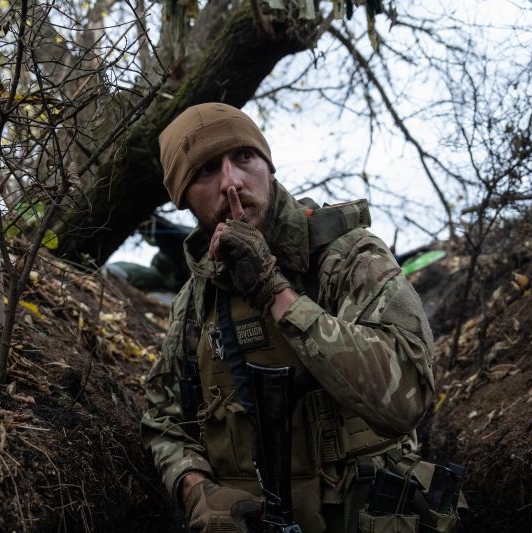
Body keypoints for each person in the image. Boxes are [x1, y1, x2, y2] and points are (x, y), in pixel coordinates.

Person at [141, 102, 437, 532]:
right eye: (205, 170)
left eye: (244, 157)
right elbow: (163, 419)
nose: (231, 183)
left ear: (269, 167)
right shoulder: (194, 300)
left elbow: (407, 396)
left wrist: (275, 292)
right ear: (184, 198)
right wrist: (197, 491)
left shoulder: (347, 256)